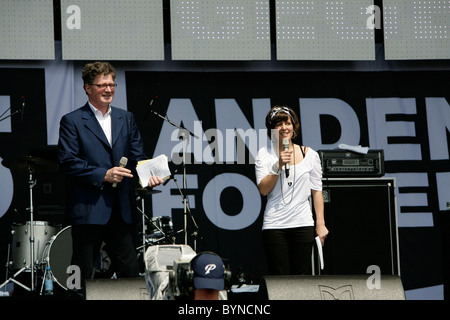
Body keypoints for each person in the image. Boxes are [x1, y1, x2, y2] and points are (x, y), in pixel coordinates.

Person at [58, 62, 163, 297]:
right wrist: (103, 175)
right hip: (88, 210)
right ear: (88, 88)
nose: (108, 89)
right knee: (79, 271)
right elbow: (68, 162)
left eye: (111, 84)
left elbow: (137, 158)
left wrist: (150, 176)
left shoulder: (126, 118)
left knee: (129, 271)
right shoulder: (72, 120)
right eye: (102, 85)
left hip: (122, 209)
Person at [255, 105, 328, 275]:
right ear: (272, 130)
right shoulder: (264, 154)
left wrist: (320, 223)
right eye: (278, 124)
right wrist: (277, 165)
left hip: (302, 224)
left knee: (301, 277)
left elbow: (317, 191)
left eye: (287, 123)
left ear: (294, 126)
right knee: (280, 277)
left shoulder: (310, 154)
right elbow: (263, 190)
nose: (284, 128)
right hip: (275, 225)